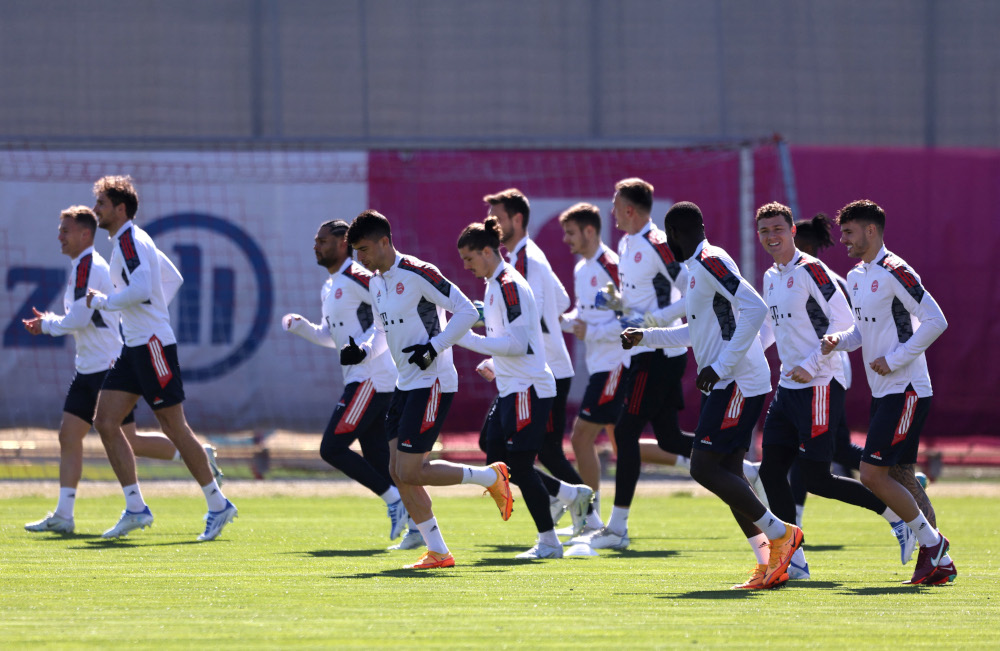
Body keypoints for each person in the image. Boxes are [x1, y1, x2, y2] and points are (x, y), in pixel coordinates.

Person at [621, 201, 802, 590]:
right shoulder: (694, 269)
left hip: (737, 381)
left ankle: (781, 534)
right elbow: (694, 333)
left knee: (703, 467)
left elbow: (755, 308)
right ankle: (771, 561)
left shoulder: (709, 259)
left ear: (671, 237)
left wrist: (720, 367)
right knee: (729, 474)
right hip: (725, 382)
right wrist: (646, 336)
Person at [23, 206, 221, 534]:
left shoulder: (103, 258)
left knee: (131, 437)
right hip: (87, 366)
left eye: (65, 230)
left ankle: (193, 462)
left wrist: (47, 324)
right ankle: (65, 514)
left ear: (85, 234)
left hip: (107, 365)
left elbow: (79, 318)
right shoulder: (85, 264)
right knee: (71, 435)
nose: (59, 235)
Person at [755, 202, 916, 580]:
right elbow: (768, 329)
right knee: (771, 472)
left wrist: (809, 365)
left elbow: (846, 324)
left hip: (820, 386)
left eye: (778, 228)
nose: (771, 236)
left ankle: (898, 517)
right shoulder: (770, 276)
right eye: (764, 231)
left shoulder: (812, 270)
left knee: (815, 479)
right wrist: (742, 360)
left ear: (793, 231)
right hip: (787, 388)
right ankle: (793, 560)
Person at [345, 209, 513, 570]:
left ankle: (490, 476)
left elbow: (467, 311)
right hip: (404, 384)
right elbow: (379, 329)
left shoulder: (418, 272)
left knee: (412, 470)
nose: (360, 258)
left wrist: (433, 348)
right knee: (397, 471)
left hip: (433, 380)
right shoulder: (376, 282)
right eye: (356, 252)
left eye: (363, 249)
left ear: (385, 242)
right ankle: (438, 551)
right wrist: (362, 349)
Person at [85, 175, 237, 541]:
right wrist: (149, 312)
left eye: (102, 204)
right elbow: (172, 278)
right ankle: (135, 508)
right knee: (106, 421)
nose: (96, 210)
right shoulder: (130, 240)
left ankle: (218, 504)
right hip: (135, 345)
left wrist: (105, 302)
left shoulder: (130, 240)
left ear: (120, 209)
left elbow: (140, 288)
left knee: (174, 427)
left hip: (152, 346)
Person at [821, 199, 956, 585]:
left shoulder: (896, 269)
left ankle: (934, 546)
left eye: (849, 232)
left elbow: (936, 320)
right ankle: (937, 561)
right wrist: (839, 340)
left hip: (907, 387)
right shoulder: (858, 275)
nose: (843, 240)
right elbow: (864, 332)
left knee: (871, 473)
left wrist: (896, 358)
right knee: (899, 475)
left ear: (870, 230)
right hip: (887, 391)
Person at [571, 178, 694, 551]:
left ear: (629, 209)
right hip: (641, 351)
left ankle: (617, 528)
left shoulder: (658, 243)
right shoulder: (626, 244)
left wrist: (655, 322)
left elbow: (693, 290)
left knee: (624, 433)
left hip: (656, 352)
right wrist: (618, 303)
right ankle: (743, 468)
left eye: (615, 204)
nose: (611, 211)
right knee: (670, 437)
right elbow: (636, 302)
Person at [456, 218, 586, 559]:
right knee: (496, 457)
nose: (466, 266)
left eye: (469, 258)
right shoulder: (494, 282)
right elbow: (510, 341)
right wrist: (496, 364)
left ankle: (549, 542)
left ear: (487, 251)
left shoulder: (509, 284)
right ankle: (569, 495)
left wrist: (467, 339)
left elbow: (519, 344)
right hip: (512, 386)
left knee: (521, 466)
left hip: (528, 387)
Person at [282, 219, 410, 543]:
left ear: (343, 244)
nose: (316, 246)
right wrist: (303, 327)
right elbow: (332, 337)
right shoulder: (330, 285)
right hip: (361, 377)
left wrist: (365, 351)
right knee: (383, 464)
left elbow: (388, 315)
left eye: (322, 240)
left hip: (371, 378)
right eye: (315, 240)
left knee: (332, 447)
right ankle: (419, 525)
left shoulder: (359, 276)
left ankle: (396, 502)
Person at [484, 189, 584, 525]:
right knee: (501, 447)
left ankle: (586, 513)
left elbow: (530, 318)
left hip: (541, 372)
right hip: (537, 368)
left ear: (517, 219)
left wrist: (496, 359)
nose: (491, 224)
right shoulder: (523, 257)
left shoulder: (523, 261)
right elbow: (561, 297)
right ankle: (569, 501)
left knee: (531, 454)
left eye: (496, 218)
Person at [556, 203, 629, 535]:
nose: (565, 239)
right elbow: (583, 317)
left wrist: (593, 332)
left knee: (581, 436)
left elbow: (631, 317)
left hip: (615, 364)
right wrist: (557, 321)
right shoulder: (582, 268)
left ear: (589, 231)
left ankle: (589, 517)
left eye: (571, 232)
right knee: (621, 443)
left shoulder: (610, 265)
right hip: (599, 364)